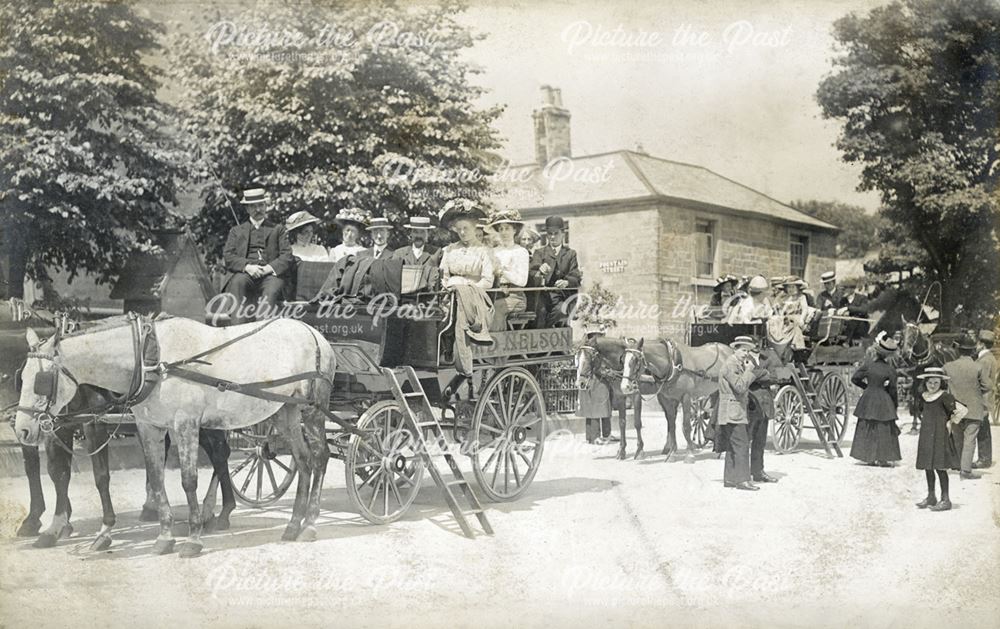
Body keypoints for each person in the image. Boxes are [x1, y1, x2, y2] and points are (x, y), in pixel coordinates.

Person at [438, 199, 495, 378]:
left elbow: (487, 280)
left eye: (466, 229)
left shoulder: (484, 251)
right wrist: (449, 289)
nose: (462, 232)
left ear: (475, 228)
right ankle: (441, 347)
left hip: (475, 299)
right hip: (449, 296)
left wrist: (468, 289)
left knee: (461, 307)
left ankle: (462, 356)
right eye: (459, 229)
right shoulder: (449, 250)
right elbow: (443, 277)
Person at [221, 188, 293, 324]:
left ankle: (262, 331)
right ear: (247, 209)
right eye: (253, 206)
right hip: (246, 274)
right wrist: (247, 267)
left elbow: (287, 256)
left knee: (271, 291)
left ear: (266, 206)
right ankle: (237, 330)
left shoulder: (278, 229)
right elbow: (228, 256)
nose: (258, 209)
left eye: (261, 205)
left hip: (271, 275)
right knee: (237, 282)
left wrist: (268, 268)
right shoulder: (236, 231)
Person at [914, 367, 965, 511]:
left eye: (936, 383)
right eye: (930, 382)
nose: (932, 385)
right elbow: (921, 412)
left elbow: (960, 410)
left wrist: (950, 422)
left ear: (941, 383)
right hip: (926, 435)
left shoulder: (945, 397)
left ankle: (945, 499)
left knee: (940, 467)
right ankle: (931, 496)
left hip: (940, 436)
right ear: (925, 383)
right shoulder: (923, 396)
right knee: (928, 466)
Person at [716, 335, 764, 490]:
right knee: (742, 445)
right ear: (734, 349)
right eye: (743, 350)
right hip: (733, 411)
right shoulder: (731, 365)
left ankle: (730, 479)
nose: (746, 354)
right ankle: (743, 480)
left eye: (748, 351)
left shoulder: (736, 363)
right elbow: (739, 387)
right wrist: (750, 371)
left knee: (732, 445)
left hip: (732, 410)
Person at [849, 334, 901, 467]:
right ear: (889, 356)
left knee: (867, 425)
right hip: (884, 398)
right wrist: (894, 405)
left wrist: (867, 387)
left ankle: (868, 457)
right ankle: (883, 459)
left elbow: (855, 379)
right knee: (883, 428)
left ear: (877, 353)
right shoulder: (891, 370)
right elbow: (893, 389)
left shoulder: (868, 365)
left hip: (868, 398)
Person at [943, 335, 989, 479]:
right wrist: (976, 392)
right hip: (974, 408)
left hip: (955, 408)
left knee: (957, 438)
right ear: (973, 350)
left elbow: (943, 385)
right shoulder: (978, 367)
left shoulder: (948, 367)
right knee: (970, 439)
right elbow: (988, 386)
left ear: (958, 349)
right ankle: (966, 470)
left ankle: (958, 464)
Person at [529, 216, 581, 328]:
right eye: (549, 233)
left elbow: (576, 275)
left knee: (561, 310)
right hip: (543, 297)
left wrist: (566, 282)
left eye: (556, 233)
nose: (552, 237)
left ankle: (544, 331)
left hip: (562, 296)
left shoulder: (570, 254)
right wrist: (539, 270)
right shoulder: (539, 253)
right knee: (541, 312)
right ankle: (540, 334)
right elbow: (531, 273)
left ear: (563, 233)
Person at [487, 209, 530, 331]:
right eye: (501, 229)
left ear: (515, 230)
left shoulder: (521, 252)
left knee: (496, 308)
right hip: (494, 294)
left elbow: (522, 281)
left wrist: (502, 271)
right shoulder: (494, 251)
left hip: (515, 298)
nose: (504, 232)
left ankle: (497, 345)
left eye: (507, 228)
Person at [748, 341, 782, 483]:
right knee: (745, 440)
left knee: (760, 441)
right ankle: (743, 473)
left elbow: (774, 378)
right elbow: (744, 379)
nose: (756, 346)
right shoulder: (744, 359)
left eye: (758, 343)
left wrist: (755, 376)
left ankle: (758, 472)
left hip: (764, 404)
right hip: (749, 404)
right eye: (753, 343)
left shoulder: (766, 359)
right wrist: (763, 375)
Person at [578, 328, 614, 444]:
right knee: (597, 409)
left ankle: (597, 435)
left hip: (593, 381)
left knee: (598, 408)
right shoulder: (592, 350)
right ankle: (596, 437)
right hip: (596, 381)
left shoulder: (586, 348)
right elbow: (590, 366)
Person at [974, 329, 995, 467]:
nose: (976, 345)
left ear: (981, 344)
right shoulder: (988, 358)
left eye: (977, 342)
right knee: (983, 427)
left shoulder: (985, 360)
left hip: (983, 399)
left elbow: (983, 382)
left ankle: (984, 459)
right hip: (985, 398)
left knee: (982, 429)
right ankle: (985, 458)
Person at [837, 278, 869, 344]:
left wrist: (847, 308)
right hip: (847, 327)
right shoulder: (843, 300)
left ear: (852, 289)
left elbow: (863, 310)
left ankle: (847, 341)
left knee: (854, 319)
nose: (842, 291)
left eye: (844, 289)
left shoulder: (862, 298)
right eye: (842, 289)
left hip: (861, 326)